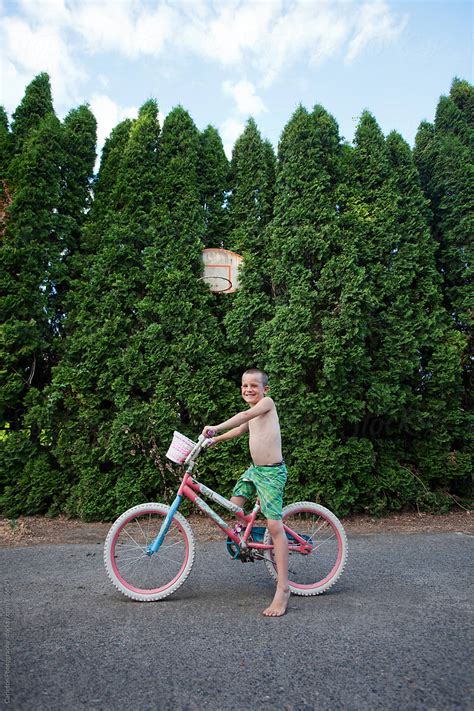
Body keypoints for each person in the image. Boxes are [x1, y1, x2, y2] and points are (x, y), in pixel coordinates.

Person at [202, 368, 290, 617]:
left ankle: (283, 589)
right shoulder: (254, 413)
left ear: (265, 390)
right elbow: (240, 429)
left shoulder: (266, 404)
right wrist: (214, 440)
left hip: (272, 474)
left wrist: (215, 427)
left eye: (254, 385)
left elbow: (243, 416)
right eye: (244, 386)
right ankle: (247, 538)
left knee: (275, 527)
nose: (248, 389)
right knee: (234, 504)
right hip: (255, 472)